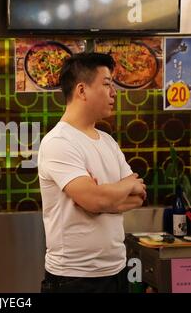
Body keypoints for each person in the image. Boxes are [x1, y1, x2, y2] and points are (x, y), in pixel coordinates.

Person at [38, 53, 147, 293]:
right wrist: (106, 194)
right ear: (81, 90)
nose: (114, 93)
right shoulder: (59, 141)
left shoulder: (108, 141)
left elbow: (138, 194)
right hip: (74, 279)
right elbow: (94, 198)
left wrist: (98, 199)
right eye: (107, 84)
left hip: (117, 271)